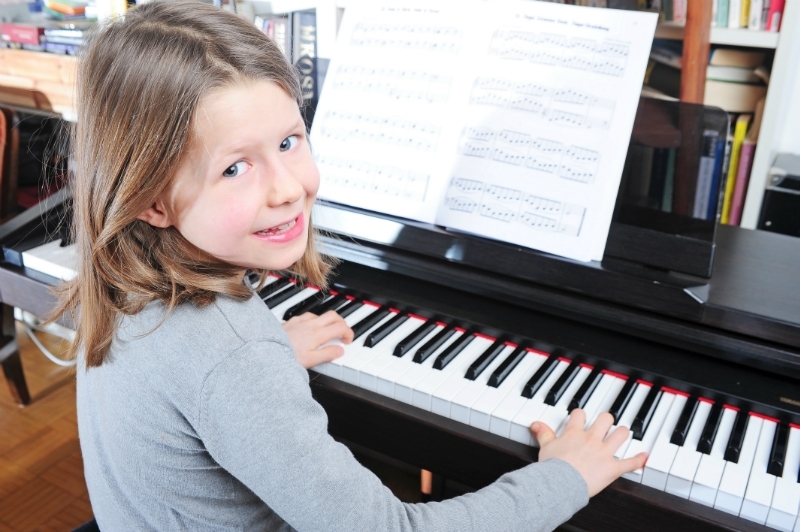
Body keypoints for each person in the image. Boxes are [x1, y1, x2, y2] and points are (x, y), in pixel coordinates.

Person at [56, 1, 647, 530]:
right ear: (151, 199)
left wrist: (268, 354)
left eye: (289, 142)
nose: (288, 189)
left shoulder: (120, 273)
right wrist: (566, 476)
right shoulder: (230, 356)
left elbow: (188, 383)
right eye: (236, 167)